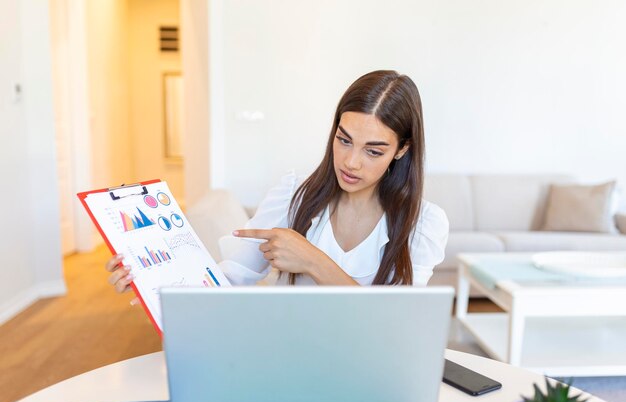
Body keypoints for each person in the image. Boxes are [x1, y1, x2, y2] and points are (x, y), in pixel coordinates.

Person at [105, 70, 449, 293]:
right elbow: (231, 278)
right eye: (344, 140)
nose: (351, 162)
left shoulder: (423, 224)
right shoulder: (293, 196)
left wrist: (312, 260)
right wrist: (153, 278)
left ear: (402, 149)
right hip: (290, 357)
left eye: (373, 151)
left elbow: (394, 326)